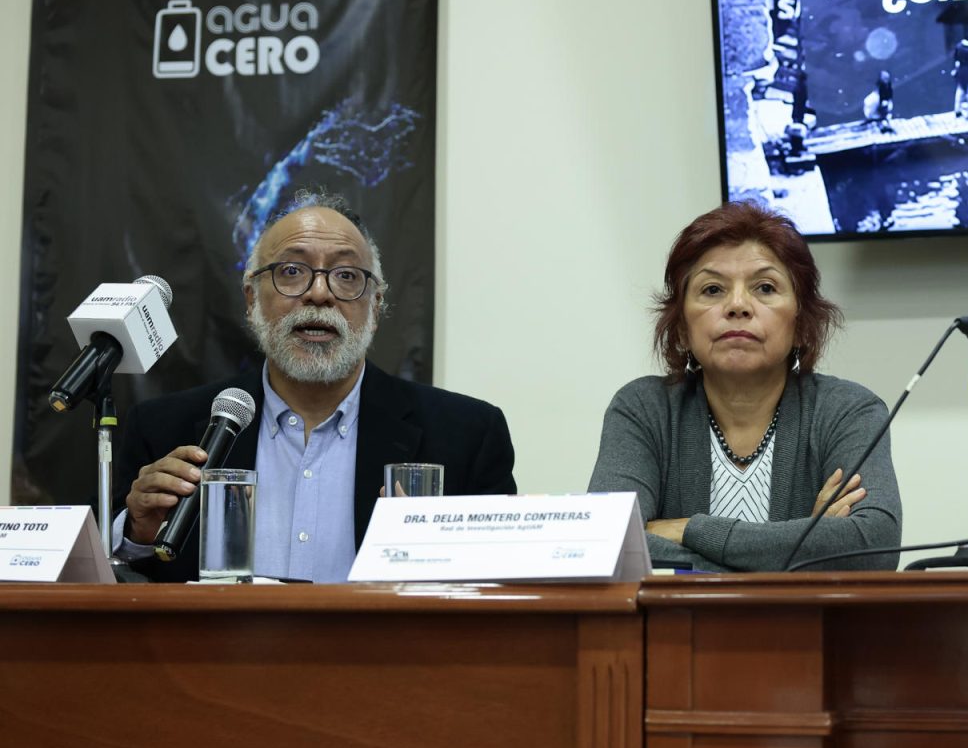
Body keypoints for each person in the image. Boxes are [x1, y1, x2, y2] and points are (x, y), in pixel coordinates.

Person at [114, 191, 516, 582]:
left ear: (375, 308)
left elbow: (501, 590)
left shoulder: (467, 436)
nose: (319, 294)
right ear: (251, 298)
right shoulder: (164, 429)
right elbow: (123, 589)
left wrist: (441, 554)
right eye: (291, 271)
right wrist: (139, 536)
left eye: (346, 275)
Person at [588, 201, 901, 571]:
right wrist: (803, 547)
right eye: (712, 290)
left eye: (765, 287)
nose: (738, 305)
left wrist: (688, 529)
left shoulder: (848, 410)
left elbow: (874, 547)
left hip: (810, 630)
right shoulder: (643, 408)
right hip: (676, 629)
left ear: (801, 323)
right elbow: (607, 544)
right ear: (683, 328)